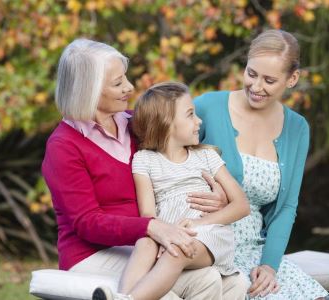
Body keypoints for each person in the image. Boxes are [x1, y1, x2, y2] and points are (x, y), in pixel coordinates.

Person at [42, 39, 247, 300]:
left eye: (125, 78)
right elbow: (86, 222)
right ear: (88, 90)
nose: (129, 87)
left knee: (229, 283)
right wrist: (151, 228)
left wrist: (215, 194)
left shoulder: (135, 124)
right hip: (94, 254)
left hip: (148, 243)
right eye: (117, 83)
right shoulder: (64, 146)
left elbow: (180, 160)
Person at [192, 30, 329, 299]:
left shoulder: (297, 128)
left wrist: (268, 265)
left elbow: (287, 205)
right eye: (251, 74)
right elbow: (163, 155)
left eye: (269, 80)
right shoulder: (208, 106)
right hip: (208, 241)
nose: (256, 87)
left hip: (255, 247)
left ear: (292, 79)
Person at [101, 82, 249, 300]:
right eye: (190, 114)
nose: (199, 121)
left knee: (178, 250)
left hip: (209, 235)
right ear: (166, 122)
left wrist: (196, 225)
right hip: (169, 234)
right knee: (145, 241)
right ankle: (122, 296)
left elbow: (241, 205)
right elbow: (148, 215)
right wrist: (163, 236)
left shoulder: (207, 157)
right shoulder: (144, 160)